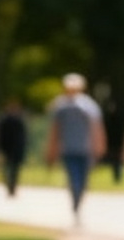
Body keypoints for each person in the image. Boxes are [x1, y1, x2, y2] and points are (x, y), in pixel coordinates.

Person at [45, 73, 105, 223]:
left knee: (82, 180)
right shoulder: (60, 106)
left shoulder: (88, 106)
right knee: (74, 179)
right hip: (68, 149)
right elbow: (55, 130)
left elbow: (96, 128)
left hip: (85, 149)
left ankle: (77, 204)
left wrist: (99, 146)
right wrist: (51, 149)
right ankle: (76, 204)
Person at [0, 98, 29, 196]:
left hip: (10, 149)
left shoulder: (7, 120)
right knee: (11, 170)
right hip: (11, 149)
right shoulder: (10, 120)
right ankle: (11, 186)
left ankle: (11, 186)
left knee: (11, 169)